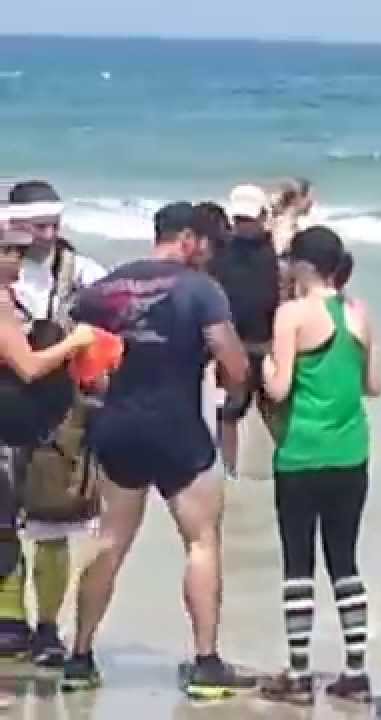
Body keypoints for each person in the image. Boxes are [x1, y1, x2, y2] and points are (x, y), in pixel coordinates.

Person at [62, 202, 253, 698]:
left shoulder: (102, 292)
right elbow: (231, 360)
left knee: (110, 540)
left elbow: (84, 367)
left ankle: (79, 656)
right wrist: (236, 394)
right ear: (188, 239)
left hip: (118, 425)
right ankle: (207, 664)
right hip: (177, 429)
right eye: (206, 245)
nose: (208, 257)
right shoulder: (201, 290)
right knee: (201, 542)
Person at [257, 227, 381, 705]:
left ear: (304, 266)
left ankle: (299, 670)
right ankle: (355, 669)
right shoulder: (359, 312)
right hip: (351, 450)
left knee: (298, 564)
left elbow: (280, 388)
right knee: (345, 560)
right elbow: (373, 385)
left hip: (302, 451)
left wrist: (267, 365)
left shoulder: (292, 314)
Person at [3, 181, 107, 667]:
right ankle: (9, 621)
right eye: (36, 226)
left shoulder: (83, 272)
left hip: (57, 412)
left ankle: (47, 627)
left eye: (53, 224)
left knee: (52, 521)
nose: (48, 234)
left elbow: (113, 325)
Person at [208, 184, 280, 482]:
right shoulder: (221, 254)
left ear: (264, 217)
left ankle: (288, 468)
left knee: (277, 412)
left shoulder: (278, 252)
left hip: (269, 346)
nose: (243, 226)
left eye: (249, 220)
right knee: (228, 414)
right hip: (233, 346)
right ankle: (230, 474)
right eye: (239, 220)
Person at [268, 178, 315, 256]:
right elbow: (278, 253)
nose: (312, 203)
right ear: (297, 198)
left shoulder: (280, 221)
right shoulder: (284, 226)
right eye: (309, 198)